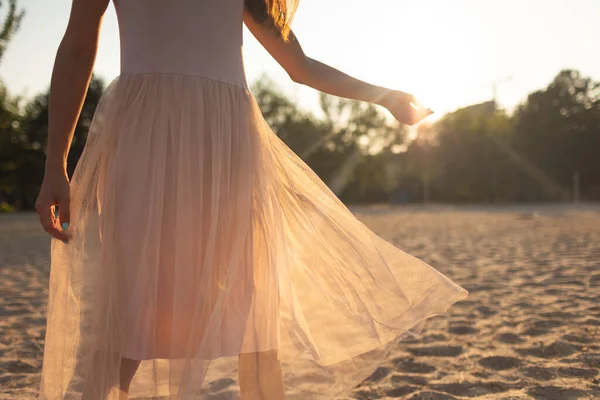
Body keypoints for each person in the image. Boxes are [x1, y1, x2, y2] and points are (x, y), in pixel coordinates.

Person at [35, 0, 468, 398]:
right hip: (148, 133)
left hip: (229, 141)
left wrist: (386, 96)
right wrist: (56, 163)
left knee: (254, 317)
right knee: (133, 309)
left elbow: (298, 66)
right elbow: (76, 47)